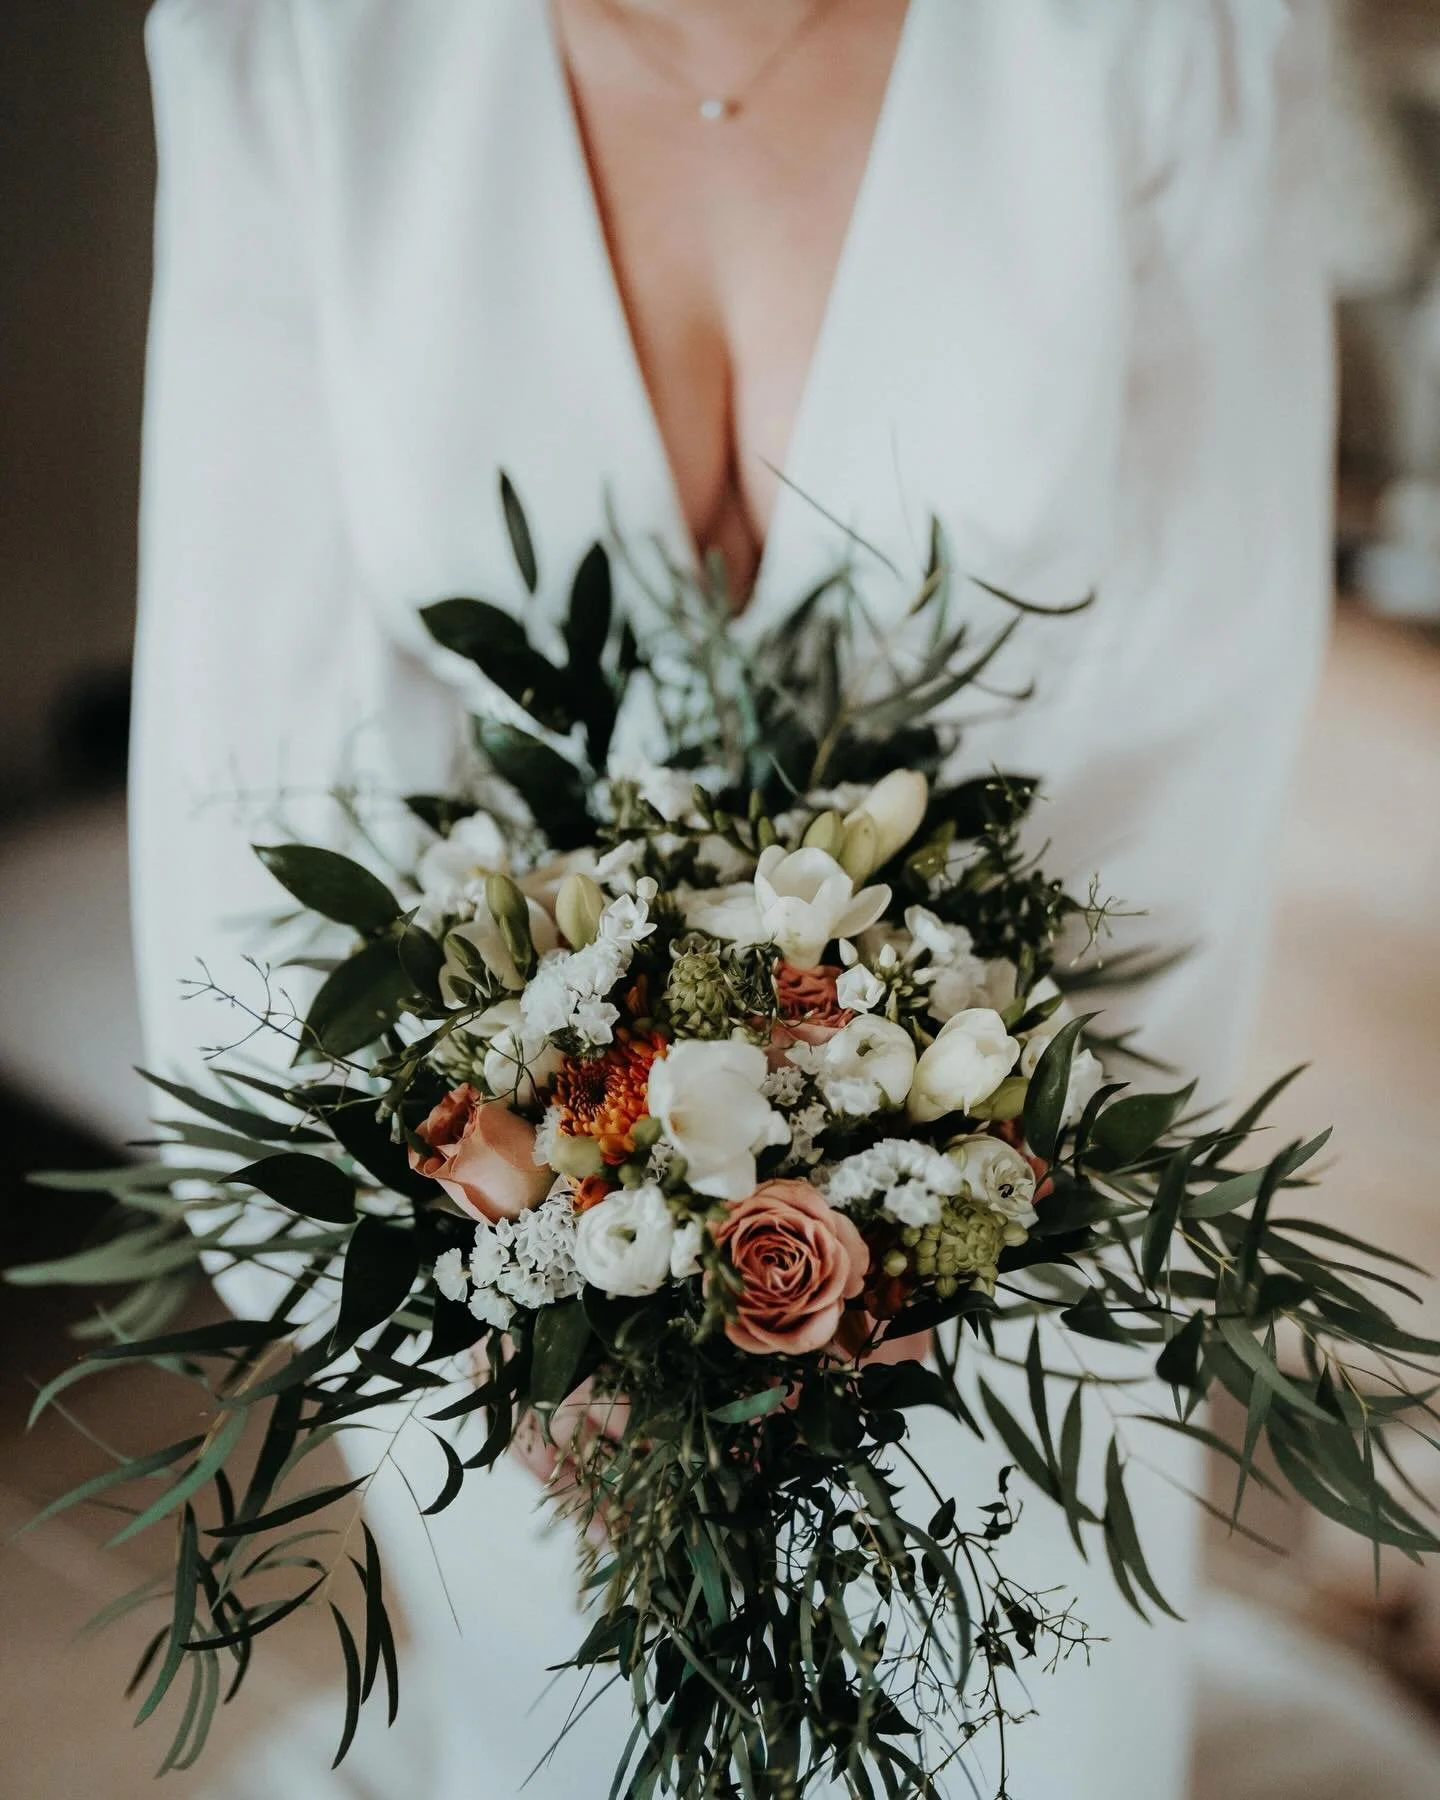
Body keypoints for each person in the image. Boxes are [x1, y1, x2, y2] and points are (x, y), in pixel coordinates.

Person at [130, 2, 1334, 1795]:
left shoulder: (1181, 42)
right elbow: (253, 737)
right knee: (570, 1736)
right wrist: (469, 1299)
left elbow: (1194, 727)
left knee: (1012, 1737)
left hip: (1000, 1218)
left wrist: (979, 1222)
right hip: (516, 1277)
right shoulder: (294, 48)